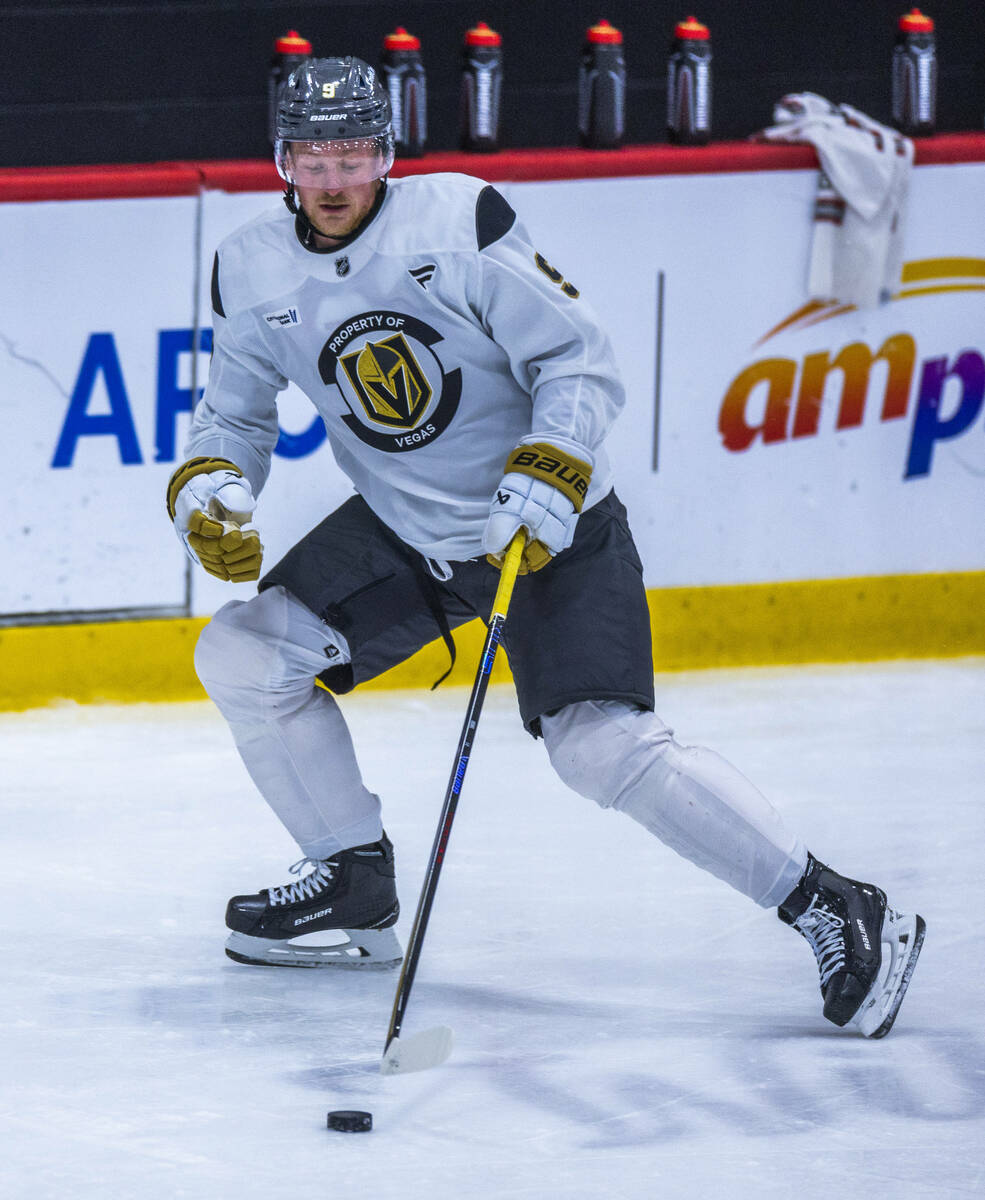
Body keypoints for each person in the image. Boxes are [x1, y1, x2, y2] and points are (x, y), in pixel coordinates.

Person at [168, 57, 924, 1036]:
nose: (334, 177)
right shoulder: (250, 266)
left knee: (598, 749)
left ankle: (833, 902)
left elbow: (577, 359)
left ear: (384, 155)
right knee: (241, 652)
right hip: (410, 532)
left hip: (550, 529)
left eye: (353, 154)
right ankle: (353, 879)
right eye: (314, 156)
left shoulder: (459, 221)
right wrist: (213, 489)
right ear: (284, 160)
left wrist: (550, 464)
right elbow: (231, 417)